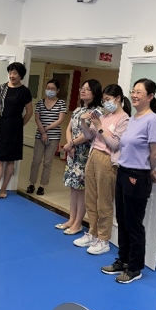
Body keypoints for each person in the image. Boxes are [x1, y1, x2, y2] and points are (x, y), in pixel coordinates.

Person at [102, 79, 156, 284]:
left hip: (137, 176)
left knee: (133, 224)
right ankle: (123, 260)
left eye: (139, 92)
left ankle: (135, 267)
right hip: (123, 171)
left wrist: (147, 170)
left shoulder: (152, 121)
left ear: (150, 96)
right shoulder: (134, 118)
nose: (134, 95)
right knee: (122, 219)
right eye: (133, 91)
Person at [73, 84, 131, 256]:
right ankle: (92, 233)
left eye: (108, 100)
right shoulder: (104, 116)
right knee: (90, 198)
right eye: (104, 100)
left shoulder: (125, 120)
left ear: (118, 99)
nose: (105, 103)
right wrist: (84, 122)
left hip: (107, 160)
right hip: (93, 156)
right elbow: (89, 136)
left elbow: (115, 144)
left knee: (104, 201)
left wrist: (99, 126)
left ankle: (104, 239)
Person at [58, 80, 103, 234]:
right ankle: (71, 219)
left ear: (95, 93)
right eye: (82, 88)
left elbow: (89, 134)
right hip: (72, 152)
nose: (83, 91)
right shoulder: (78, 109)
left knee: (81, 189)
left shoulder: (97, 111)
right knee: (73, 187)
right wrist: (70, 144)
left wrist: (72, 144)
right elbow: (68, 129)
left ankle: (78, 223)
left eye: (87, 89)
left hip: (84, 153)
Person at [0, 62, 33, 200]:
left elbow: (29, 112)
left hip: (16, 128)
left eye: (15, 73)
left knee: (10, 160)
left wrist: (19, 125)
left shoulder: (25, 91)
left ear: (21, 75)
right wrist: (1, 116)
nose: (12, 75)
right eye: (10, 72)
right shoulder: (2, 87)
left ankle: (3, 189)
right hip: (2, 126)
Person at [27, 79, 67, 195]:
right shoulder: (40, 102)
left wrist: (46, 130)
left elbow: (60, 120)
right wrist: (42, 132)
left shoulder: (61, 103)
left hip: (53, 136)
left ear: (57, 90)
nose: (50, 90)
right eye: (48, 88)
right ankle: (32, 183)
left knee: (48, 162)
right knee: (36, 161)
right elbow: (37, 118)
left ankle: (42, 186)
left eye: (53, 89)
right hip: (40, 135)